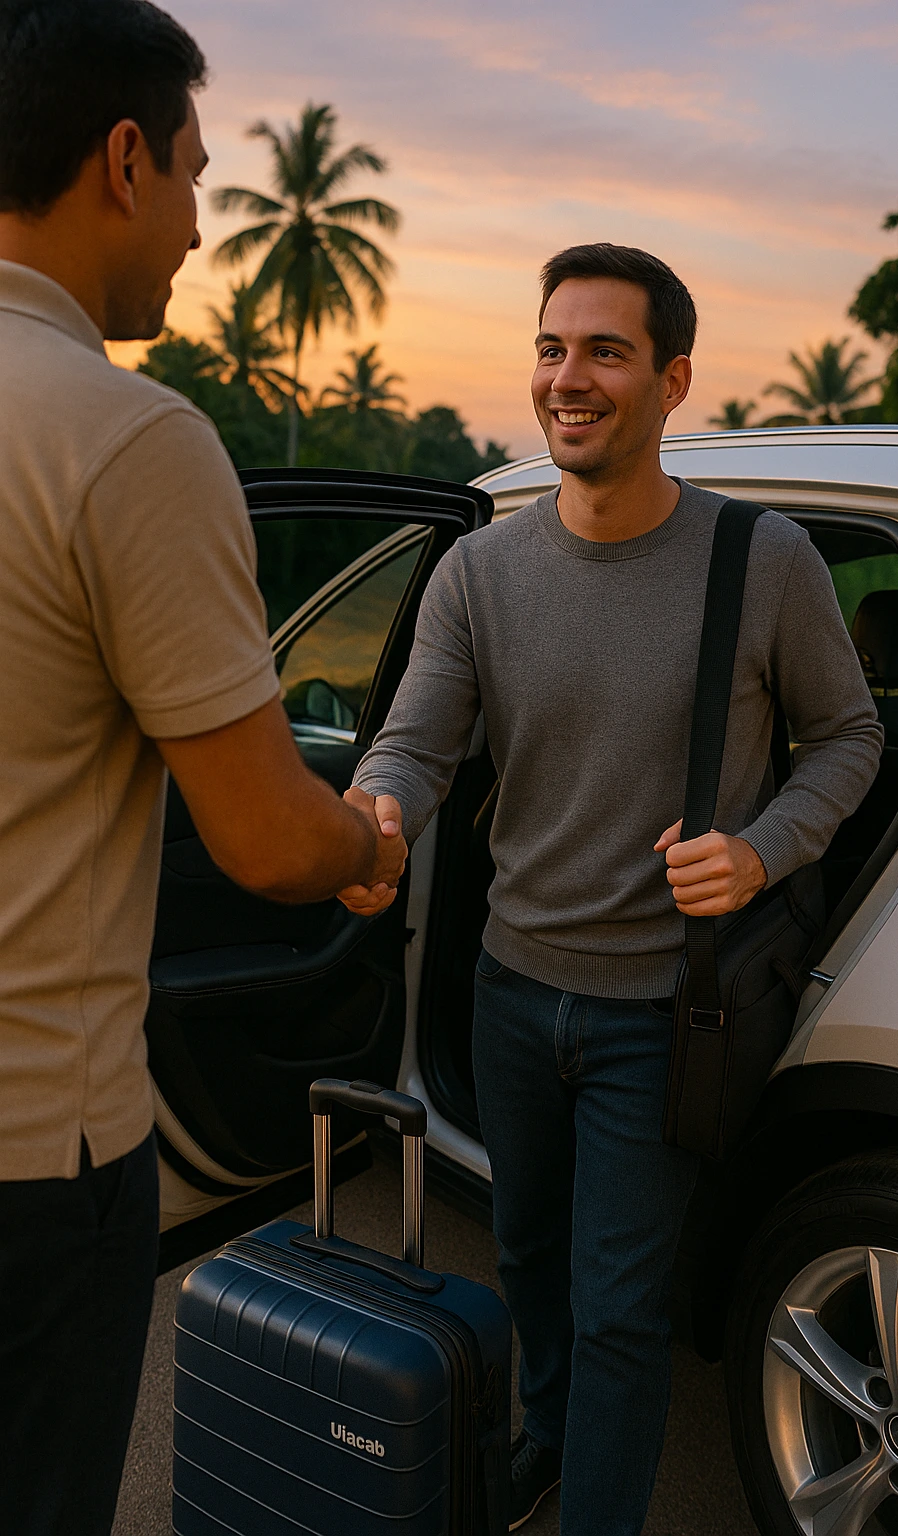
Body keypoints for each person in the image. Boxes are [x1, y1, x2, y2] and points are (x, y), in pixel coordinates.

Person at [342, 242, 883, 1534]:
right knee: (527, 1256)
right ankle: (551, 1438)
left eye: (604, 351)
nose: (566, 377)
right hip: (511, 990)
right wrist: (375, 819)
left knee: (621, 1307)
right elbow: (415, 745)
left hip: (668, 1013)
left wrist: (762, 848)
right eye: (551, 348)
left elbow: (850, 737)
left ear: (672, 379)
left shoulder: (762, 559)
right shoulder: (481, 572)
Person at [0, 4, 406, 1532]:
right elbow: (267, 842)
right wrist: (369, 844)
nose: (190, 225)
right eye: (190, 177)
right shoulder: (123, 438)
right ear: (123, 160)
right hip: (32, 1159)